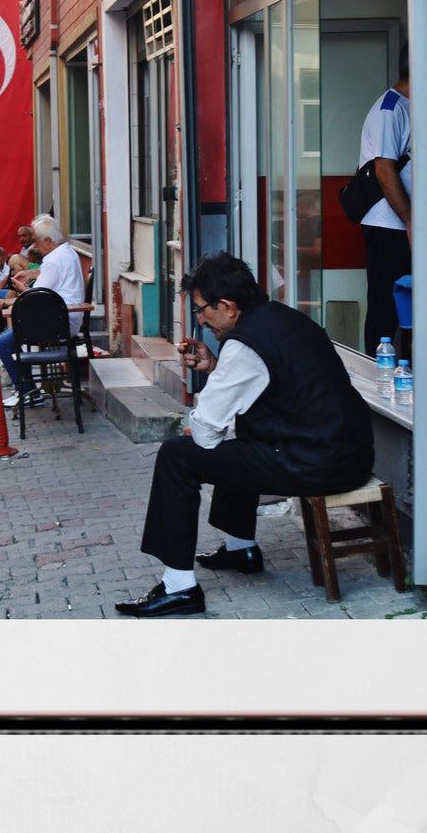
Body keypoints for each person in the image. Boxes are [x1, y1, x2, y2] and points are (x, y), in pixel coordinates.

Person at [113, 253, 374, 617]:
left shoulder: (243, 345)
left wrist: (197, 420)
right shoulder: (287, 318)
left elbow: (204, 435)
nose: (200, 321)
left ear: (228, 306)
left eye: (202, 310)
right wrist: (216, 368)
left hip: (317, 463)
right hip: (352, 453)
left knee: (177, 455)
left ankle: (178, 588)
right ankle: (241, 548)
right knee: (241, 439)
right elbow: (273, 386)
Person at [0, 214, 86, 409]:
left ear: (47, 240)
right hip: (64, 318)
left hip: (57, 323)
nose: (33, 246)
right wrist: (31, 273)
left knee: (3, 343)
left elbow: (35, 298)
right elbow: (51, 276)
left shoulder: (54, 260)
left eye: (35, 241)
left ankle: (28, 391)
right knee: (7, 336)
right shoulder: (66, 252)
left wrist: (20, 290)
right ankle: (27, 389)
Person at [358, 45, 412, 354]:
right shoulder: (390, 109)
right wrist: (409, 221)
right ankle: (376, 388)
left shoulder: (412, 105)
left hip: (402, 224)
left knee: (406, 304)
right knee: (384, 309)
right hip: (387, 225)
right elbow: (384, 168)